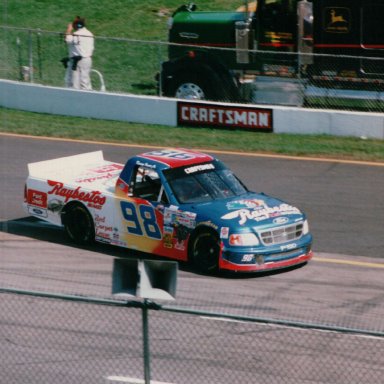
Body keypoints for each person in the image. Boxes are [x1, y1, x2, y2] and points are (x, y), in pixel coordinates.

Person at [64, 16, 94, 90]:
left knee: (75, 82)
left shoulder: (76, 34)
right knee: (85, 80)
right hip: (87, 59)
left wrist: (69, 30)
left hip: (78, 60)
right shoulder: (89, 33)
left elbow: (67, 40)